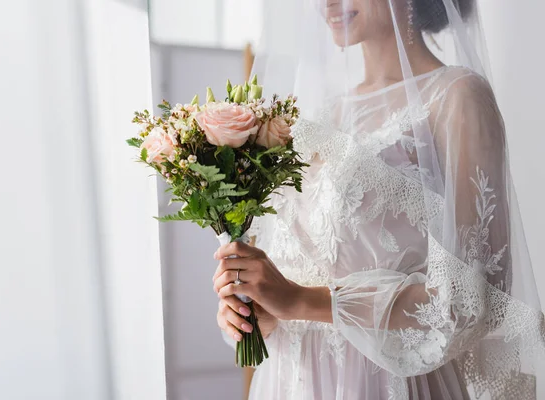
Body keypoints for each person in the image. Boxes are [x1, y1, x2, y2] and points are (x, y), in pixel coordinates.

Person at [212, 0, 545, 398]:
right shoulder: (323, 115)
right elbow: (293, 276)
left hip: (389, 386)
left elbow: (470, 301)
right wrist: (256, 312)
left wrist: (302, 300)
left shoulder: (455, 97)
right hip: (295, 382)